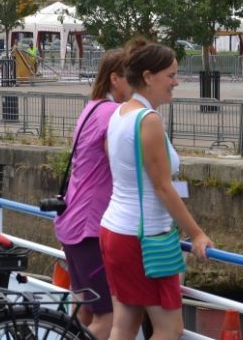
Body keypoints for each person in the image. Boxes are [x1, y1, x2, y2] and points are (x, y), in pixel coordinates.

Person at [100, 40, 213, 340]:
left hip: (115, 230)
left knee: (124, 324)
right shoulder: (147, 121)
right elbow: (163, 188)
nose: (176, 82)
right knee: (170, 329)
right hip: (143, 238)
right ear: (148, 77)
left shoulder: (120, 112)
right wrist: (197, 233)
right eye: (171, 75)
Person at [53, 49, 131, 340]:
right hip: (91, 227)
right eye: (130, 78)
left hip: (72, 222)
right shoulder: (112, 114)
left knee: (85, 312)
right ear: (115, 79)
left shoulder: (92, 108)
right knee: (107, 318)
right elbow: (122, 168)